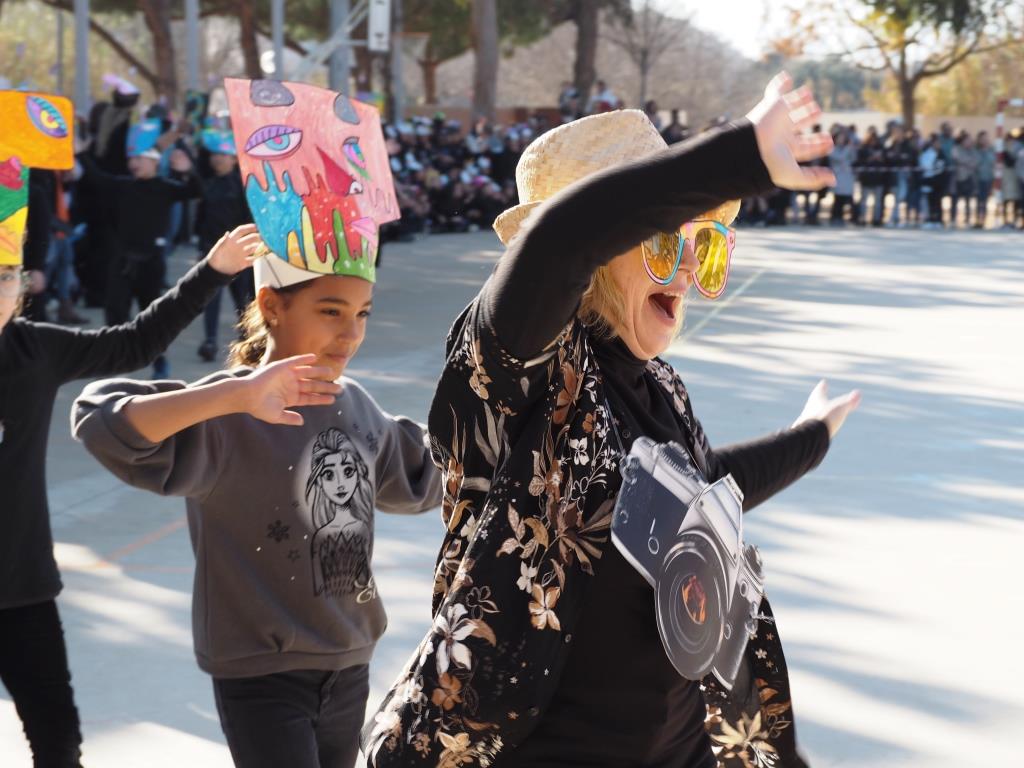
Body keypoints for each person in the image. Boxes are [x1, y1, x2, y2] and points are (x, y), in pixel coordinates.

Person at [363, 73, 860, 768]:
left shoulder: (660, 387)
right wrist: (740, 152)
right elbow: (561, 240)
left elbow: (705, 490)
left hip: (683, 745)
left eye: (704, 246)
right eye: (661, 244)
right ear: (601, 257)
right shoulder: (519, 372)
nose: (684, 271)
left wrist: (811, 437)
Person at [73, 246, 443, 768]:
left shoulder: (356, 405)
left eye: (362, 313)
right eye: (330, 311)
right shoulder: (226, 413)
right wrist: (233, 397)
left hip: (350, 661)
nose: (351, 333)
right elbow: (101, 421)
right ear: (271, 305)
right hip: (262, 674)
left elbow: (426, 473)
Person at [0, 224, 260, 768]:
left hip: (21, 589)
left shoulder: (34, 350)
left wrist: (212, 271)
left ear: (21, 286)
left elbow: (136, 342)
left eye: (4, 276)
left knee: (58, 743)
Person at [78, 124, 203, 377]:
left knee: (152, 314)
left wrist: (188, 171)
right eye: (132, 159)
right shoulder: (123, 186)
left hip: (151, 262)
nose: (134, 163)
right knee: (115, 312)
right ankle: (116, 361)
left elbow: (197, 191)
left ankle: (159, 362)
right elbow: (96, 178)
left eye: (140, 159)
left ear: (154, 162)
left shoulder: (165, 188)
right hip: (122, 261)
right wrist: (80, 153)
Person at [193, 129, 253, 362]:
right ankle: (209, 341)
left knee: (242, 299)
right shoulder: (209, 183)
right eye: (214, 155)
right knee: (211, 299)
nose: (217, 159)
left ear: (234, 159)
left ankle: (248, 340)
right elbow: (202, 218)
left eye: (223, 155)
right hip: (212, 250)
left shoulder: (242, 186)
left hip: (239, 252)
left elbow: (249, 218)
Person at [829, 127, 857, 224]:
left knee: (849, 198)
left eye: (843, 137)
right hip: (838, 176)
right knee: (838, 199)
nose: (841, 140)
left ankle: (852, 218)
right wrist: (848, 149)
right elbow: (840, 157)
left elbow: (853, 159)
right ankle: (836, 217)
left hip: (847, 177)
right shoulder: (832, 149)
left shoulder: (848, 148)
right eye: (840, 138)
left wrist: (852, 149)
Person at [950, 133, 979, 227]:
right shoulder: (956, 149)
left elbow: (976, 161)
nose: (969, 142)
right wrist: (967, 162)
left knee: (968, 200)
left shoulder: (973, 151)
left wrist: (966, 163)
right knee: (954, 200)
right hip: (958, 178)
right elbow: (958, 158)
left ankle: (967, 219)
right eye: (967, 140)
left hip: (969, 177)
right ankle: (953, 219)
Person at [974, 131, 995, 229]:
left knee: (985, 200)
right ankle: (977, 219)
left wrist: (986, 151)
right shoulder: (975, 150)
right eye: (982, 138)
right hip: (977, 178)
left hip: (988, 177)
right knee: (978, 200)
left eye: (986, 138)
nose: (985, 140)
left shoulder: (991, 150)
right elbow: (976, 161)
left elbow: (993, 161)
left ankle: (983, 220)